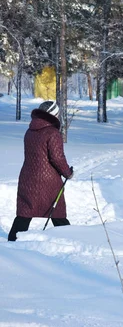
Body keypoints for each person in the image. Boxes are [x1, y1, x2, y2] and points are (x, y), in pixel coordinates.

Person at [8, 101, 74, 241]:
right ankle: (70, 239)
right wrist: (67, 173)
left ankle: (12, 240)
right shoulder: (53, 133)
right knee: (57, 212)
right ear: (54, 114)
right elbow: (57, 158)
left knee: (25, 211)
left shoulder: (30, 130)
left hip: (28, 176)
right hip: (48, 180)